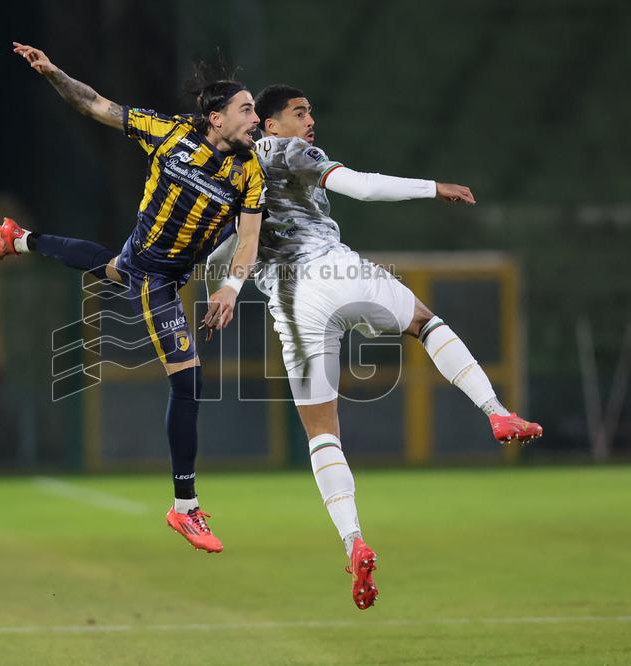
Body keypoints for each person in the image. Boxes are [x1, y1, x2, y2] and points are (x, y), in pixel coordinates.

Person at [204, 84, 543, 608]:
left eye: (311, 111)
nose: (309, 120)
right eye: (298, 112)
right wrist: (434, 187)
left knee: (322, 433)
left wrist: (220, 293)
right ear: (270, 126)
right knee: (427, 324)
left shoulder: (226, 176)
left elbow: (220, 253)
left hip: (293, 304)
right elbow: (358, 186)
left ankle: (353, 540)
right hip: (336, 271)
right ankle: (496, 412)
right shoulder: (287, 151)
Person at [0, 43, 265, 553]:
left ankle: (20, 238)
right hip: (152, 275)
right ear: (216, 117)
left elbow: (248, 240)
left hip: (167, 270)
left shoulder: (249, 171)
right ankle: (184, 508)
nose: (255, 118)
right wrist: (54, 71)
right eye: (246, 109)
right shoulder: (170, 133)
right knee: (189, 379)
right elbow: (94, 104)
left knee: (108, 266)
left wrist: (231, 286)